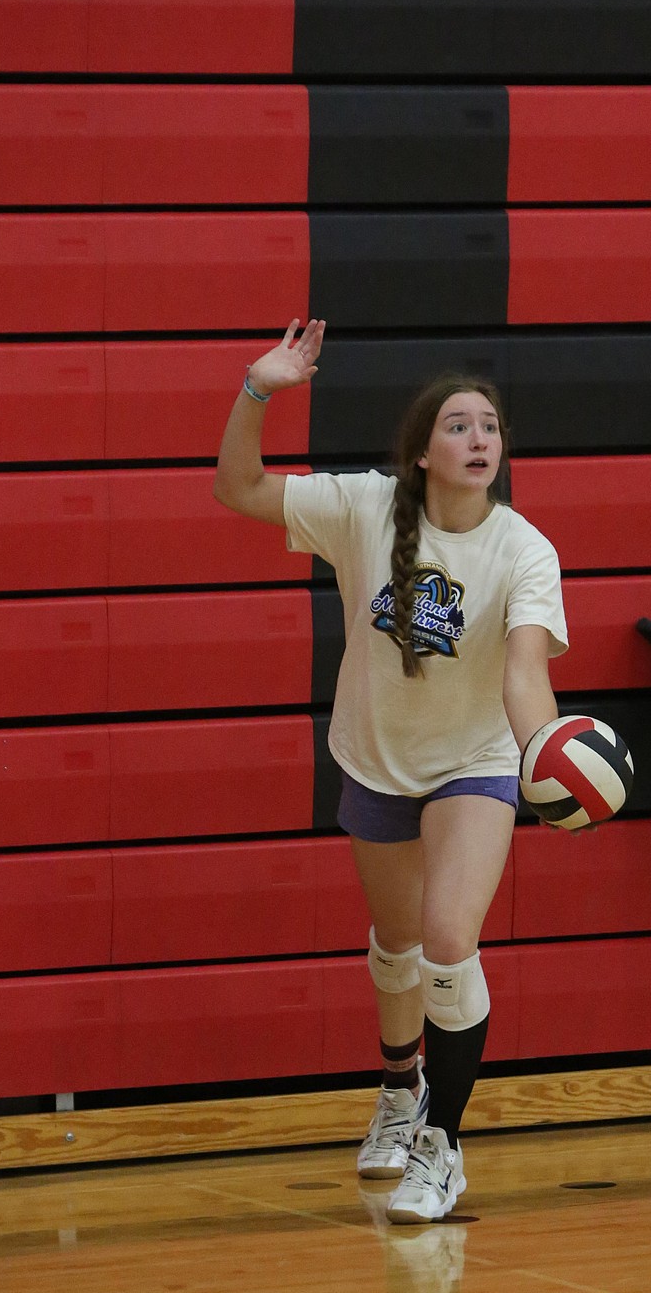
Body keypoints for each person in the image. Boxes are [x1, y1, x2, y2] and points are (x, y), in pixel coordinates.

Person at [214, 319, 568, 1223]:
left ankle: (440, 1147)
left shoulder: (524, 549)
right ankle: (398, 1086)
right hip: (375, 759)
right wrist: (259, 389)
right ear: (420, 453)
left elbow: (526, 670)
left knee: (450, 942)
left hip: (476, 762)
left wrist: (547, 753)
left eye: (489, 426)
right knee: (398, 948)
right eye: (458, 425)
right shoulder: (363, 508)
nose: (479, 439)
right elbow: (238, 488)